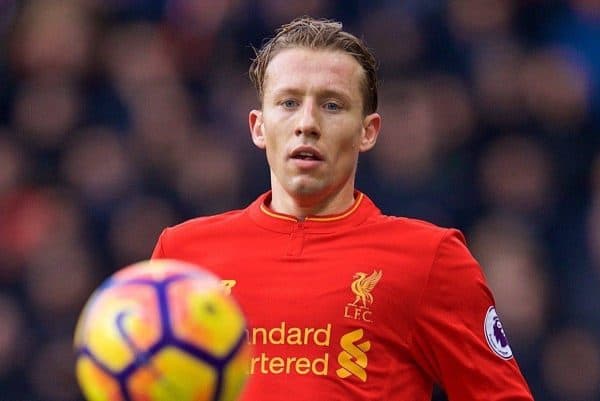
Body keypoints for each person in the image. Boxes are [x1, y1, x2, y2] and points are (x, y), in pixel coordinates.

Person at [151, 16, 534, 400]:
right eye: (288, 103)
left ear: (367, 131)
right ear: (258, 127)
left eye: (332, 105)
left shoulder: (430, 259)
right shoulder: (182, 256)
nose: (307, 123)